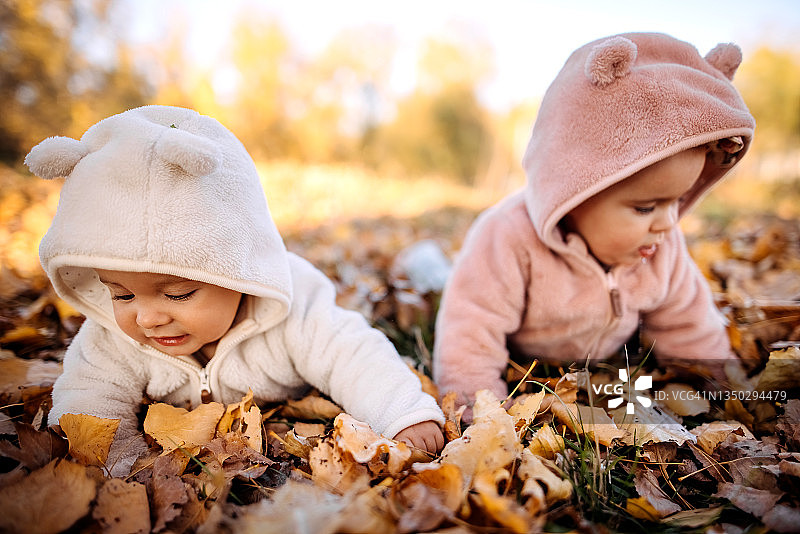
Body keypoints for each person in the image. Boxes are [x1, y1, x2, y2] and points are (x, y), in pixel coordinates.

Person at [26, 105, 445, 472]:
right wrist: (118, 465)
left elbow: (352, 356)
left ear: (237, 272)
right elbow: (88, 396)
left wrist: (404, 415)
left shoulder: (296, 308)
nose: (148, 317)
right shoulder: (113, 335)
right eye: (122, 294)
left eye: (177, 294)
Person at [433, 32, 756, 419]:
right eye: (646, 207)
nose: (668, 223)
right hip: (527, 350)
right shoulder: (507, 237)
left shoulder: (662, 247)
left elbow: (690, 321)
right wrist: (477, 404)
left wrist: (721, 380)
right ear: (577, 192)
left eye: (677, 201)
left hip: (603, 355)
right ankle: (426, 268)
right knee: (441, 281)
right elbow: (471, 327)